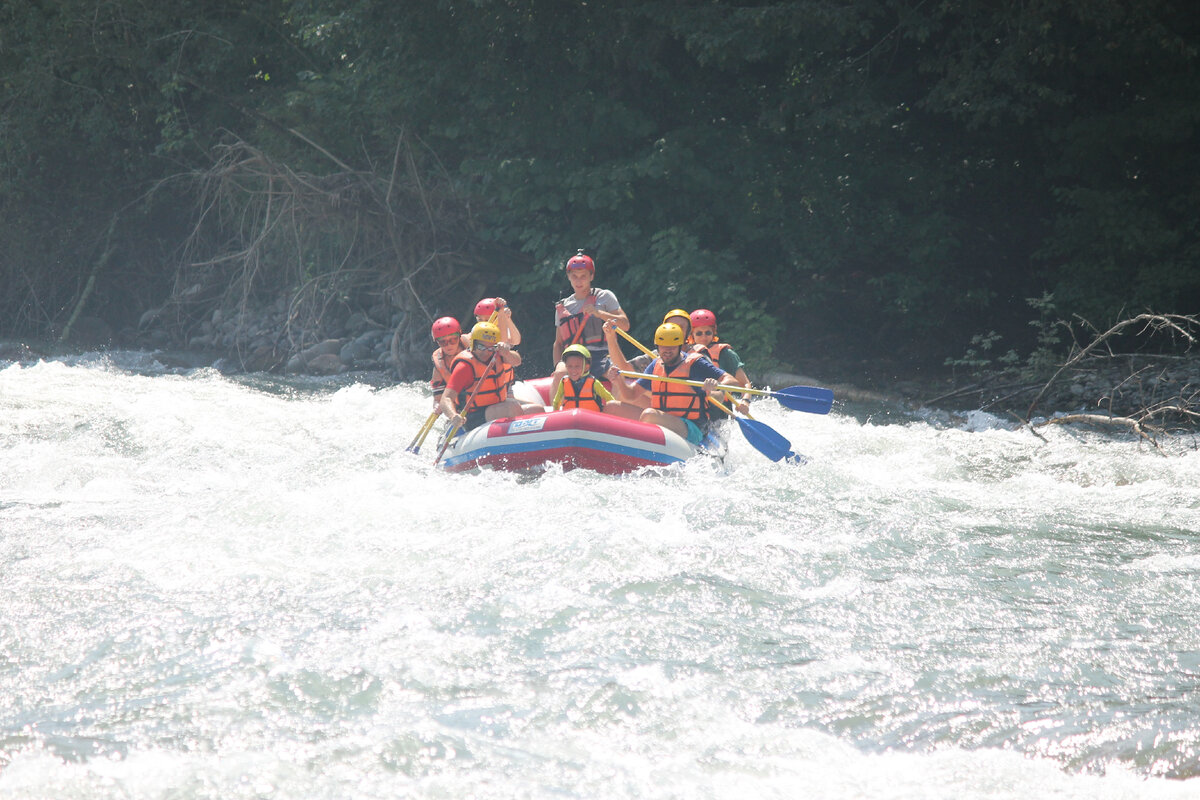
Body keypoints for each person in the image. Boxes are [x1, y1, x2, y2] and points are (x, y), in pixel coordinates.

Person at [619, 322, 743, 444]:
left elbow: (732, 381)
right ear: (657, 347)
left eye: (672, 347)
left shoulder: (695, 364)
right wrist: (617, 379)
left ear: (680, 346)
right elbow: (631, 394)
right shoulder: (655, 365)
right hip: (665, 422)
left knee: (649, 414)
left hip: (693, 428)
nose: (667, 351)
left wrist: (716, 385)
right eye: (663, 347)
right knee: (614, 407)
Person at [440, 320, 544, 433]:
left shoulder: (497, 355)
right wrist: (453, 416)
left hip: (496, 407)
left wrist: (506, 352)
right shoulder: (464, 366)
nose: (486, 352)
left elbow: (517, 361)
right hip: (472, 416)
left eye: (491, 348)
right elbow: (446, 398)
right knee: (511, 406)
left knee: (537, 409)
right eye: (482, 347)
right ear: (473, 343)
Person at [551, 251, 629, 389]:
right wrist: (558, 365)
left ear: (591, 276)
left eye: (583, 276)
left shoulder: (604, 296)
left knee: (617, 375)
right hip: (574, 358)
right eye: (574, 276)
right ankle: (557, 409)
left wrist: (599, 313)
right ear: (568, 277)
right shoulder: (563, 306)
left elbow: (625, 325)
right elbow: (558, 343)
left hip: (602, 356)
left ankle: (617, 407)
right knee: (560, 373)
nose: (578, 281)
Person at [551, 344, 640, 419]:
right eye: (570, 366)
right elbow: (556, 401)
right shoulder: (564, 382)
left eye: (577, 366)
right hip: (570, 419)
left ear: (586, 367)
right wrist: (556, 416)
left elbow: (609, 398)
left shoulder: (593, 383)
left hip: (592, 420)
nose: (573, 370)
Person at [688, 309, 750, 387]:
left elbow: (745, 384)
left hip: (720, 397)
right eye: (699, 333)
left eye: (708, 333)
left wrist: (746, 399)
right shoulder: (685, 354)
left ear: (714, 332)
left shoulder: (726, 353)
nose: (704, 337)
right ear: (692, 335)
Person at [428, 316, 470, 409]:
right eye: (443, 342)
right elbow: (437, 398)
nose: (449, 345)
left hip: (483, 399)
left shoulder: (473, 342)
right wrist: (437, 405)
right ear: (437, 343)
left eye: (453, 340)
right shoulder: (439, 362)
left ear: (459, 336)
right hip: (461, 406)